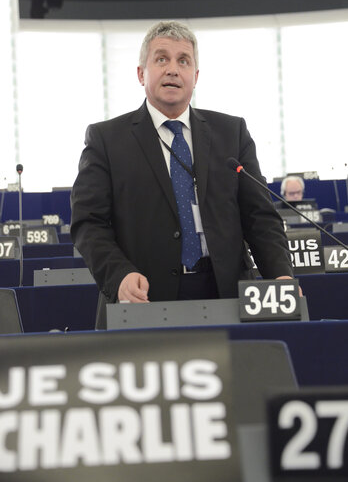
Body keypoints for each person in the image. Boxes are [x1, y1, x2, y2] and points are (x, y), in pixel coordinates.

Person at [70, 20, 294, 320]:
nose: (173, 69)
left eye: (183, 61)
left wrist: (280, 277)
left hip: (227, 294)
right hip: (145, 300)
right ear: (141, 73)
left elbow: (260, 216)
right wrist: (119, 276)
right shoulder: (107, 140)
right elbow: (88, 223)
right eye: (161, 59)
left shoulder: (231, 133)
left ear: (195, 76)